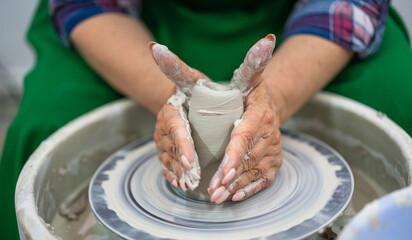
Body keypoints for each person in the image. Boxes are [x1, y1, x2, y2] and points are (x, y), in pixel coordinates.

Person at [1, 0, 411, 239]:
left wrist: (275, 97)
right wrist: (173, 93)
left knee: (396, 98)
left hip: (301, 23)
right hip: (139, 24)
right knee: (44, 123)